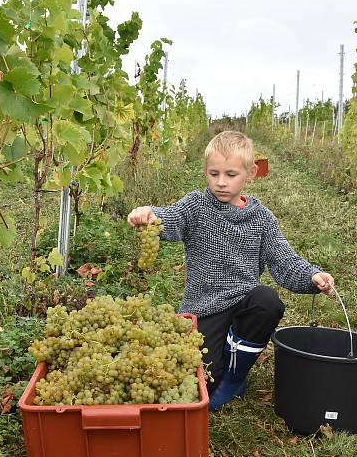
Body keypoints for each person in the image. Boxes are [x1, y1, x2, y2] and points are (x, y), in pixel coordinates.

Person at [127, 130, 335, 412]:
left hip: (243, 303)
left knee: (267, 301)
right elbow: (172, 218)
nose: (221, 182)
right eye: (214, 174)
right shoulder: (196, 206)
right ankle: (226, 357)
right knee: (201, 380)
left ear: (251, 173)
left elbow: (283, 260)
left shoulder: (261, 219)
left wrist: (312, 276)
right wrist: (151, 215)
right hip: (204, 307)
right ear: (205, 172)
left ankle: (235, 379)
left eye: (231, 174)